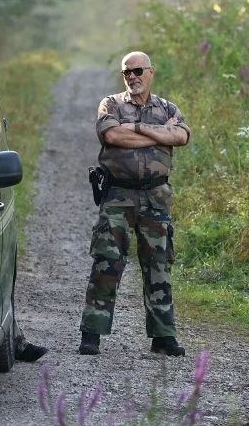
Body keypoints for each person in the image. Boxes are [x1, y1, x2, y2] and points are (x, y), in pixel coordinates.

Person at [79, 51, 191, 356]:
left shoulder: (168, 107)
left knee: (158, 264)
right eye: (127, 72)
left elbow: (181, 136)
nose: (133, 77)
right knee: (107, 261)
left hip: (156, 196)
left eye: (138, 71)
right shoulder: (111, 104)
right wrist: (158, 135)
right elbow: (113, 135)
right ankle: (92, 332)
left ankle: (163, 336)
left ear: (151, 72)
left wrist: (138, 129)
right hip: (118, 194)